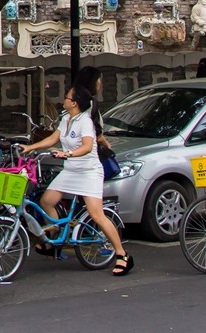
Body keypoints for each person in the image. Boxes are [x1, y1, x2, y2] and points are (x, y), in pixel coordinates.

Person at [18, 82, 133, 275]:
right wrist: (31, 147)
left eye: (67, 97)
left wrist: (67, 154)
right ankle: (53, 240)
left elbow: (88, 146)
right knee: (47, 201)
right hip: (70, 171)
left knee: (96, 215)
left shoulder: (85, 122)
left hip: (88, 172)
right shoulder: (65, 118)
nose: (64, 99)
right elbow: (54, 139)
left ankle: (122, 255)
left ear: (75, 103)